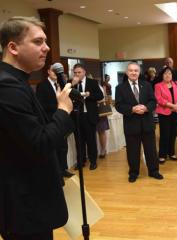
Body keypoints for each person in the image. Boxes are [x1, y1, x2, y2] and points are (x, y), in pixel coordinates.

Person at [0, 16, 74, 239]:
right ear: (13, 47)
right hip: (25, 205)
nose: (47, 48)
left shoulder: (18, 81)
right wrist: (62, 110)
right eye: (38, 41)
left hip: (31, 201)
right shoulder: (7, 86)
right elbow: (40, 142)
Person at [115, 62, 163, 183]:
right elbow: (119, 105)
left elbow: (153, 101)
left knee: (151, 149)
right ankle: (133, 172)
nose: (133, 73)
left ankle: (154, 171)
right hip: (131, 125)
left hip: (147, 123)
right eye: (131, 70)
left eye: (136, 70)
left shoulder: (146, 85)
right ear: (127, 72)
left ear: (139, 72)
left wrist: (146, 108)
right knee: (132, 151)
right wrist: (132, 109)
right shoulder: (120, 88)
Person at [36, 65, 74, 178]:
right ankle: (56, 173)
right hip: (51, 121)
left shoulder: (62, 85)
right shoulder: (42, 85)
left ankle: (63, 169)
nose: (55, 73)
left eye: (57, 72)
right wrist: (59, 106)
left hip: (62, 121)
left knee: (63, 147)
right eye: (53, 70)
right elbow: (41, 105)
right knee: (54, 148)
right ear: (48, 71)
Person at [71, 64, 104, 170]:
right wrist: (72, 85)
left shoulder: (92, 82)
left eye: (79, 72)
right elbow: (66, 96)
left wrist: (89, 95)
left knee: (91, 140)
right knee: (79, 140)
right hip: (76, 116)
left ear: (84, 72)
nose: (77, 74)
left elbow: (100, 96)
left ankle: (93, 161)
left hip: (89, 115)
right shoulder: (71, 83)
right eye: (75, 72)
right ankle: (81, 161)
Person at [154, 67, 177, 163]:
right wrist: (172, 105)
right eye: (166, 73)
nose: (168, 75)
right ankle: (162, 155)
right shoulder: (158, 86)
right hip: (164, 112)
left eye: (170, 73)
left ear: (172, 75)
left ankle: (171, 153)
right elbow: (159, 99)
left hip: (175, 111)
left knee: (173, 133)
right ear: (162, 75)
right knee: (164, 134)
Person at [96, 78, 110, 159]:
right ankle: (101, 150)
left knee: (101, 131)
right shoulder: (101, 87)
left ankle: (103, 150)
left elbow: (102, 98)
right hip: (93, 112)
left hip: (100, 112)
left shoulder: (99, 87)